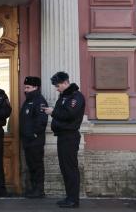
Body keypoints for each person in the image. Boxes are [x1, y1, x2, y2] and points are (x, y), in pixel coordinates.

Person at [42, 71, 85, 208]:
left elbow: (69, 114)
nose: (56, 88)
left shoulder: (75, 96)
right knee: (65, 168)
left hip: (70, 136)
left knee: (70, 168)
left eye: (58, 85)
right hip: (63, 136)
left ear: (66, 83)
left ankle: (73, 199)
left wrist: (52, 112)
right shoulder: (64, 96)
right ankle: (69, 197)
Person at [20, 76, 48, 198]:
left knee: (37, 165)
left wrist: (34, 134)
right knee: (31, 165)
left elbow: (41, 121)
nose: (25, 90)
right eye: (25, 87)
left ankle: (39, 190)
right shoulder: (28, 100)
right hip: (27, 140)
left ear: (36, 87)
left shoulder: (39, 101)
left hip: (35, 141)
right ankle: (33, 189)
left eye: (28, 87)